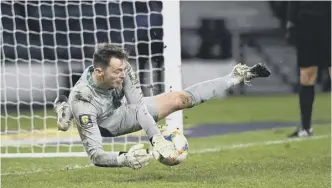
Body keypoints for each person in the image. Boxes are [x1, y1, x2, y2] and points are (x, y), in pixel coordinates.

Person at [54, 43, 271, 169]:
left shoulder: (124, 69)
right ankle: (65, 109)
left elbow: (139, 106)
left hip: (122, 108)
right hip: (109, 121)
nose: (123, 74)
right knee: (79, 113)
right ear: (99, 72)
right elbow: (95, 155)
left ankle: (235, 77)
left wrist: (156, 138)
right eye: (117, 71)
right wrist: (124, 159)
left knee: (179, 99)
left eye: (123, 69)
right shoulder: (83, 101)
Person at [286, 1, 331, 138]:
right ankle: (306, 128)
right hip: (305, 25)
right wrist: (290, 23)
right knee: (307, 75)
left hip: (328, 22)